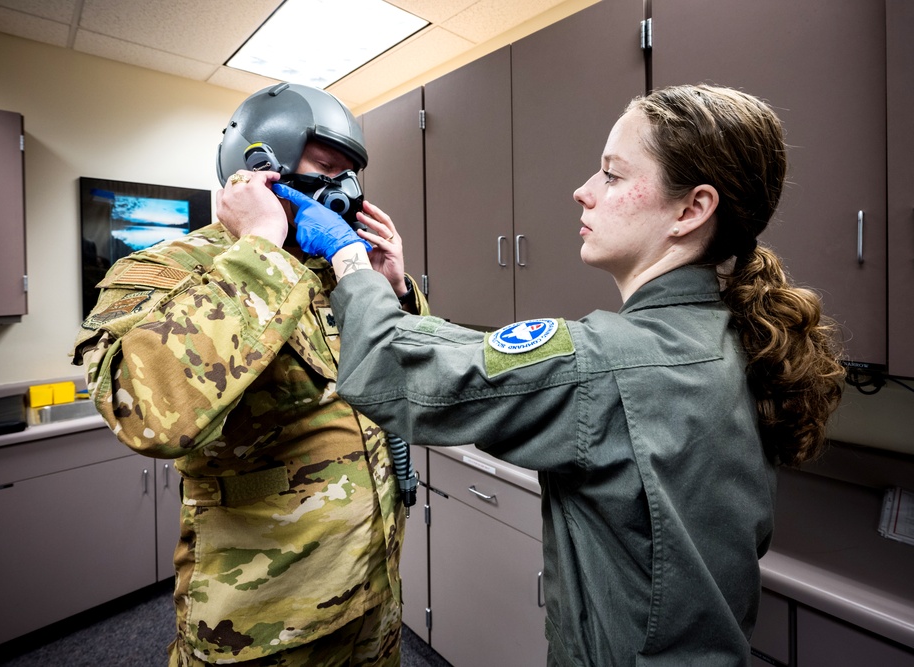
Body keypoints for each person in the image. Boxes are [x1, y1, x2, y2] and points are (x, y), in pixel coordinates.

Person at [234, 84, 845, 665]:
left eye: (612, 174)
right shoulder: (723, 334)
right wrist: (394, 290)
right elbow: (507, 362)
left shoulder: (614, 358)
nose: (583, 191)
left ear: (692, 208)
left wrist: (347, 261)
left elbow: (389, 371)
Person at [72, 82, 425, 666]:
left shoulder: (339, 270)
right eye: (328, 168)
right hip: (265, 629)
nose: (347, 191)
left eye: (352, 175)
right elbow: (147, 412)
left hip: (373, 600)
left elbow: (413, 387)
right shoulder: (168, 269)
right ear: (261, 168)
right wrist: (262, 246)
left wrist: (391, 294)